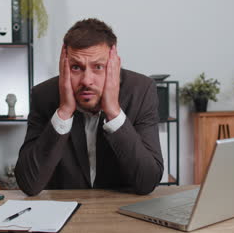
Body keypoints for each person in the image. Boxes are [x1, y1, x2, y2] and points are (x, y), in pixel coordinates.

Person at [15, 18, 163, 196]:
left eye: (98, 67)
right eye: (76, 67)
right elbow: (29, 184)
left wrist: (114, 112)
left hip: (122, 212)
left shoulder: (141, 91)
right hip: (64, 213)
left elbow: (147, 182)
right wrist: (64, 112)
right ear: (64, 65)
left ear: (114, 65)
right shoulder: (44, 95)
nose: (86, 80)